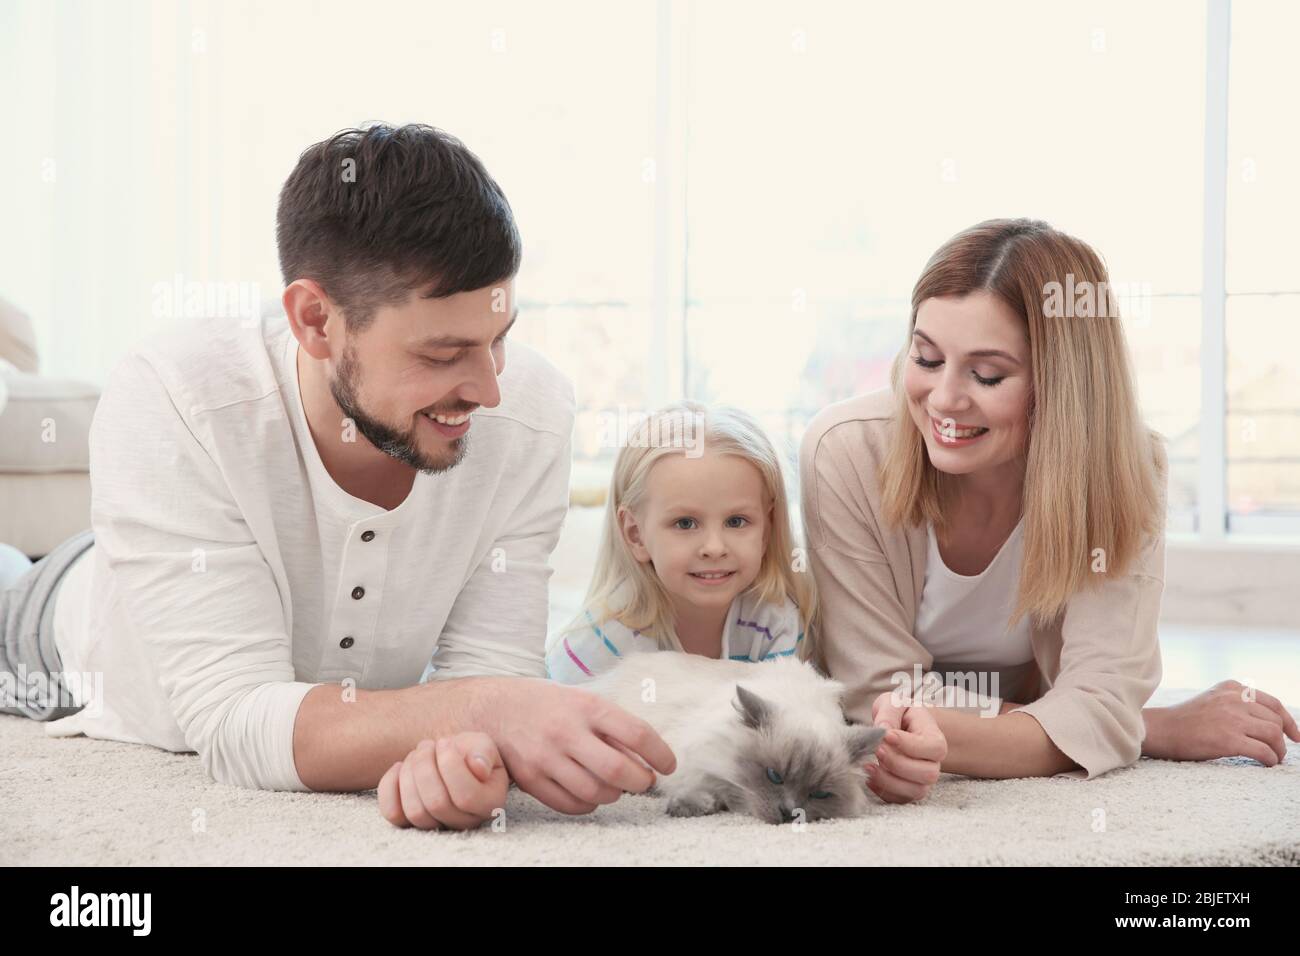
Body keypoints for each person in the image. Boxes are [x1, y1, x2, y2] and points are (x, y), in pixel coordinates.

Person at [0, 123, 675, 833]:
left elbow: (489, 674)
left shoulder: (535, 411)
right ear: (316, 320)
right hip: (58, 623)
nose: (489, 389)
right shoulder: (176, 393)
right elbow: (235, 723)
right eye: (443, 354)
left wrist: (463, 762)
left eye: (498, 340)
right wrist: (477, 713)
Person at [801, 218, 1299, 805]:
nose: (944, 400)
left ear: (1062, 384)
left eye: (987, 374)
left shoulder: (1127, 468)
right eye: (927, 358)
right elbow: (874, 696)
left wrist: (1094, 720)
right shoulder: (846, 450)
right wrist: (1141, 728)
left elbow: (1099, 695)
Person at [540, 401, 814, 683]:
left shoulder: (773, 621)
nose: (715, 548)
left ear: (766, 531)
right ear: (636, 534)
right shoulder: (600, 642)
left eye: (736, 521)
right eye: (685, 523)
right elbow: (550, 718)